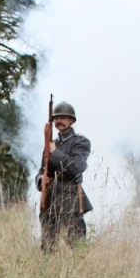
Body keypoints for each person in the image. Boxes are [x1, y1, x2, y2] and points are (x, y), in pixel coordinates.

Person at [37, 102, 94, 251]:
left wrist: (55, 152)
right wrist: (41, 180)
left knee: (76, 245)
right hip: (50, 199)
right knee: (48, 246)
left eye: (63, 117)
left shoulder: (80, 142)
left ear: (71, 120)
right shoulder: (50, 144)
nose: (59, 121)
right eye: (56, 118)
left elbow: (76, 168)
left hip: (71, 198)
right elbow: (43, 170)